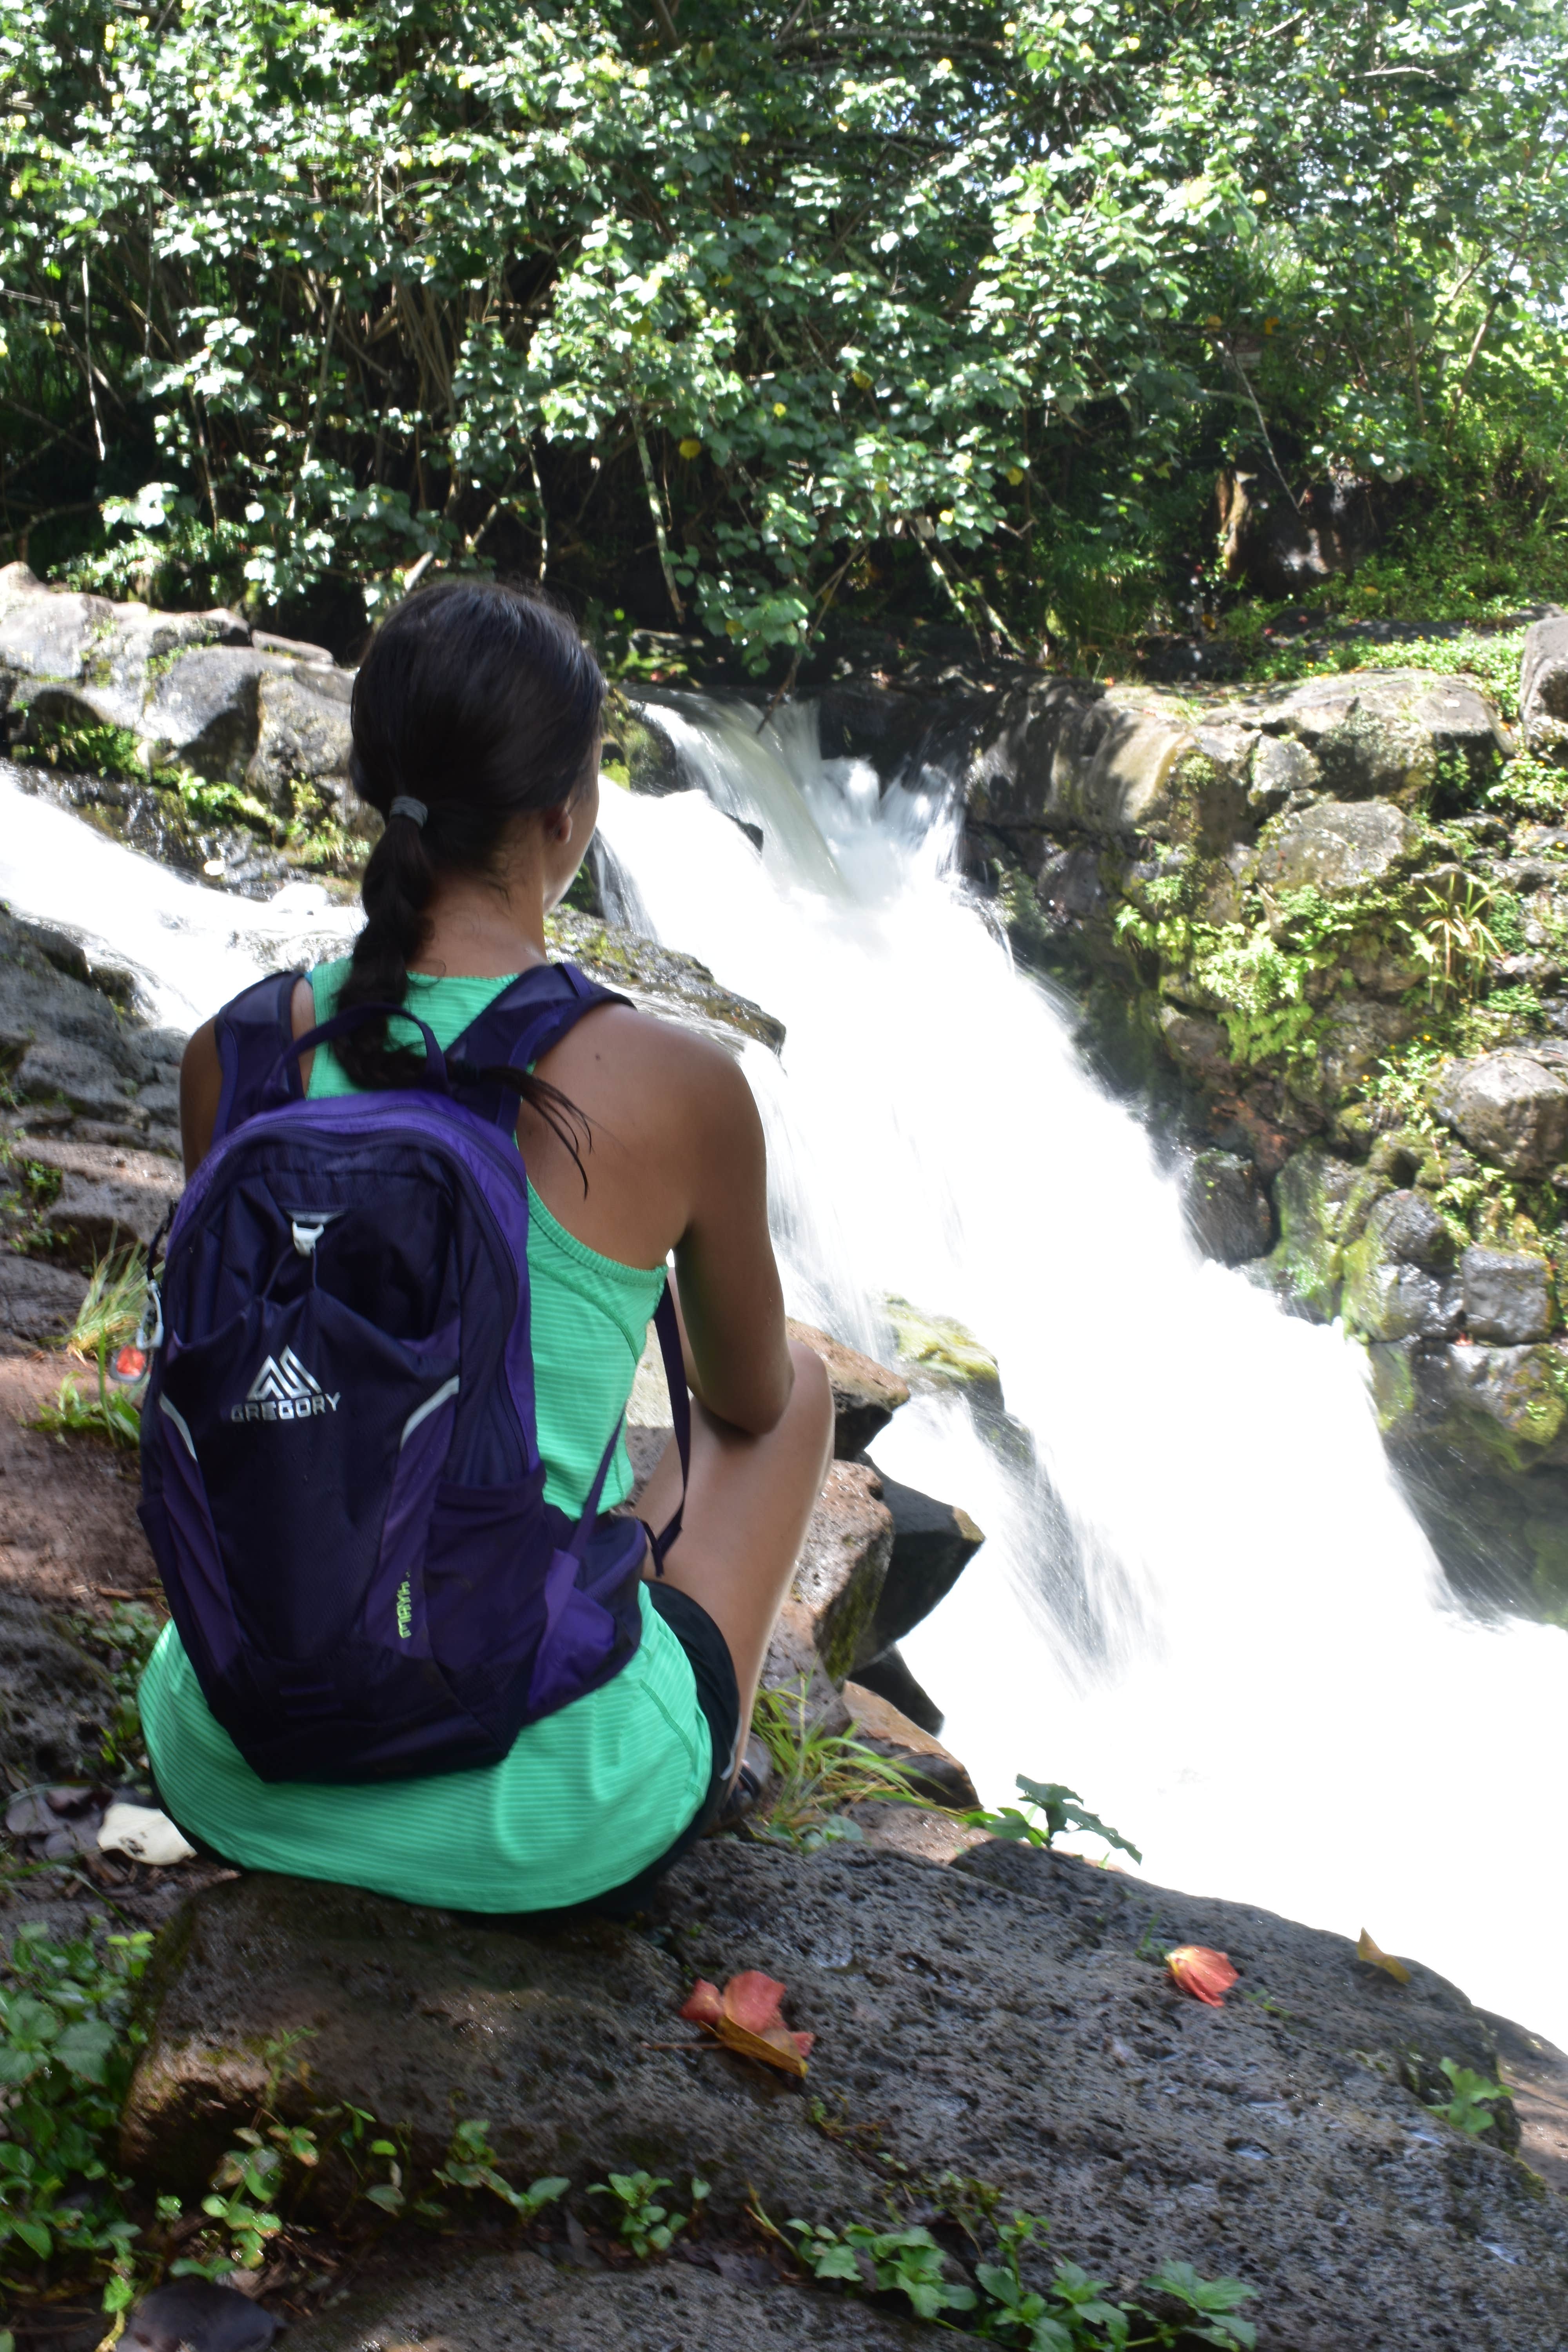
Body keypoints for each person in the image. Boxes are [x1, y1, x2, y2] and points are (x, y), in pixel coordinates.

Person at [137, 579, 833, 1914]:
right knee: (794, 1384)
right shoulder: (673, 1085)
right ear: (568, 815)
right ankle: (704, 1753)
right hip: (541, 1824)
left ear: (367, 787)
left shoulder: (236, 1053)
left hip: (231, 1757)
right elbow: (742, 1404)